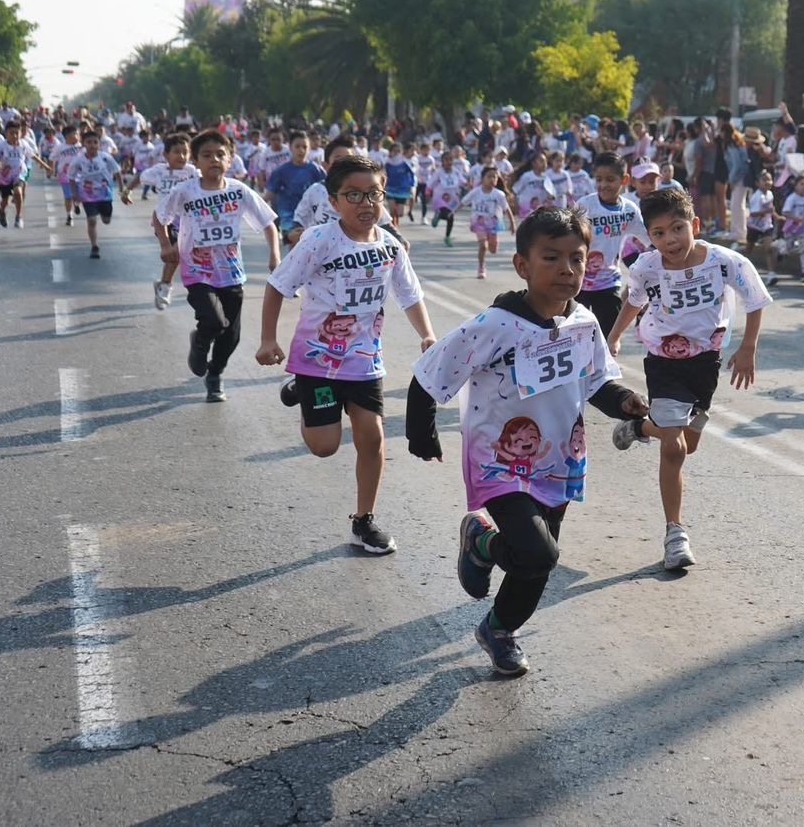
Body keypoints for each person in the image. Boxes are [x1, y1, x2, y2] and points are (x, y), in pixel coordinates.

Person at [407, 206, 648, 676]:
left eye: (577, 259)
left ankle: (499, 629)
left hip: (559, 459)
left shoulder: (584, 322)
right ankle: (481, 540)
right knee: (539, 552)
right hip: (499, 460)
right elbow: (431, 373)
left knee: (536, 565)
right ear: (523, 266)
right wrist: (421, 431)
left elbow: (597, 382)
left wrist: (627, 403)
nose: (567, 270)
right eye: (551, 258)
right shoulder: (496, 325)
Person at [260, 154, 435, 554]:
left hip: (363, 360)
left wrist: (426, 335)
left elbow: (410, 294)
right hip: (318, 360)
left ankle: (364, 521)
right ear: (333, 201)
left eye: (373, 194)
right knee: (324, 447)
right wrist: (268, 340)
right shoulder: (320, 240)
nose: (365, 203)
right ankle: (303, 392)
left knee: (371, 439)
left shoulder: (390, 246)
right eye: (353, 195)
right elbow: (277, 285)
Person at [606, 187, 773, 570]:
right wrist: (613, 337)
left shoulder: (723, 261)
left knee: (686, 444)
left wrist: (748, 348)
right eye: (659, 233)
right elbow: (634, 301)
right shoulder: (647, 267)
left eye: (678, 228)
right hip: (664, 363)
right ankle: (674, 534)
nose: (670, 240)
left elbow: (755, 299)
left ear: (694, 224)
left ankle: (639, 429)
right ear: (649, 236)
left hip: (705, 363)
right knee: (675, 448)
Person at [154, 129, 281, 402]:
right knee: (213, 320)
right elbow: (160, 215)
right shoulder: (185, 191)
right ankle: (199, 343)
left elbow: (268, 223)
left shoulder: (239, 191)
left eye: (220, 155)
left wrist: (275, 255)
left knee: (231, 336)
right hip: (197, 270)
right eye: (207, 155)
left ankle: (215, 375)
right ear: (196, 162)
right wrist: (166, 245)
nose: (214, 159)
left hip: (232, 272)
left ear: (230, 159)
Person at [574, 151, 648, 338]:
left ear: (624, 180)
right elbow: (567, 237)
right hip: (578, 281)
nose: (603, 185)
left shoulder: (629, 210)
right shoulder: (585, 205)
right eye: (598, 179)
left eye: (610, 179)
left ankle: (608, 366)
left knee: (610, 333)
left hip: (609, 282)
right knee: (575, 333)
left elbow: (649, 239)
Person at [140, 133, 200, 309]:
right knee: (175, 256)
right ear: (166, 155)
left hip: (188, 220)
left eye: (185, 152)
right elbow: (141, 177)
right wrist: (127, 190)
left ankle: (163, 282)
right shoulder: (159, 170)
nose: (181, 156)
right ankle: (165, 287)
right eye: (176, 152)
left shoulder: (192, 172)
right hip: (166, 221)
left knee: (181, 256)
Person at [66, 130, 132, 258]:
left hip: (104, 194)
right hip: (87, 195)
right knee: (91, 220)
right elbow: (71, 177)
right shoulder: (78, 160)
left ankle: (103, 214)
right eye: (88, 142)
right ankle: (94, 246)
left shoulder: (105, 157)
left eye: (95, 142)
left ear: (99, 144)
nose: (92, 145)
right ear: (83, 144)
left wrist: (122, 190)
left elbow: (117, 172)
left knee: (106, 220)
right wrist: (74, 193)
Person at [0, 122, 52, 228]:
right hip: (4, 177)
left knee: (18, 192)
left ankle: (18, 217)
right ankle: (2, 211)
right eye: (11, 133)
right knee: (5, 201)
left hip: (19, 174)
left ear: (21, 133)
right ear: (6, 134)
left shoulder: (23, 144)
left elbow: (33, 156)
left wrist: (46, 167)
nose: (14, 136)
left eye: (17, 133)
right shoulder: (1, 146)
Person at [265, 132, 325, 230]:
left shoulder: (316, 170)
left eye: (305, 147)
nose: (301, 150)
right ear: (290, 147)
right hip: (289, 216)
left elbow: (328, 191)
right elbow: (269, 195)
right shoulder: (281, 171)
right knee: (294, 243)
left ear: (309, 148)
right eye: (297, 146)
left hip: (311, 218)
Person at [463, 168, 515, 279]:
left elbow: (506, 209)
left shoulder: (499, 194)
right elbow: (463, 202)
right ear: (482, 179)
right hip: (479, 222)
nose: (492, 179)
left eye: (494, 177)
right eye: (489, 176)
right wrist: (452, 212)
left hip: (493, 223)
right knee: (483, 245)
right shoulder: (476, 191)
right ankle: (481, 267)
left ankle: (493, 242)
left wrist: (512, 223)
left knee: (493, 249)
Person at [777, 171, 804, 282]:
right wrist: (796, 218)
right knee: (789, 248)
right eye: (802, 184)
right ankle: (781, 250)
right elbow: (785, 212)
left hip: (802, 229)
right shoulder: (792, 198)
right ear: (796, 186)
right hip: (791, 228)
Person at [746, 168, 779, 284]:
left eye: (770, 180)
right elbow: (753, 213)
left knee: (769, 249)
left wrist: (777, 216)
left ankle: (771, 274)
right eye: (764, 180)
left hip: (766, 225)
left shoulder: (770, 194)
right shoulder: (756, 197)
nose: (768, 182)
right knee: (748, 249)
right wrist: (766, 211)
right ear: (757, 183)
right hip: (754, 226)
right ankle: (737, 250)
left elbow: (771, 210)